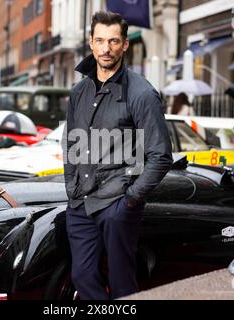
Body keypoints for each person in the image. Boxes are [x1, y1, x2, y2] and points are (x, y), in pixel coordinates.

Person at [63, 11, 173, 300]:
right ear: (91, 43)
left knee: (122, 283)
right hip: (81, 203)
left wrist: (130, 200)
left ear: (125, 45)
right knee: (83, 277)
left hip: (117, 205)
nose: (105, 48)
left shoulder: (142, 93)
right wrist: (71, 187)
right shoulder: (79, 91)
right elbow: (72, 145)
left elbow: (160, 156)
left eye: (113, 41)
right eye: (100, 40)